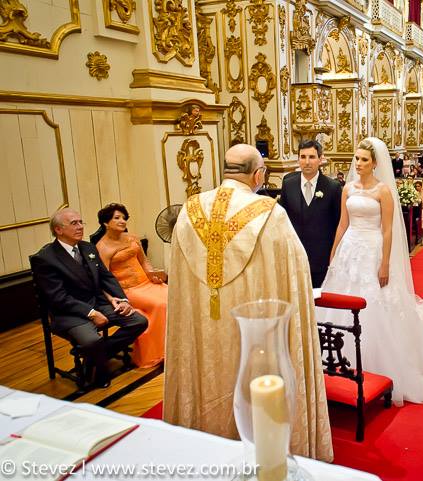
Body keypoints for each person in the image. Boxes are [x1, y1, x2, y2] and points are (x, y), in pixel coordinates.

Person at [164, 144, 333, 462]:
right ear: (258, 175)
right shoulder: (270, 214)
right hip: (254, 338)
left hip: (204, 329)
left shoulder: (189, 211)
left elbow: (177, 279)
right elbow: (294, 276)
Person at [317, 138, 423, 405]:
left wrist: (384, 263)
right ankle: (338, 358)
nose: (358, 163)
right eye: (356, 158)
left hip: (372, 249)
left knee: (375, 303)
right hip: (349, 250)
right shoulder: (348, 188)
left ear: (375, 163)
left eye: (364, 160)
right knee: (341, 299)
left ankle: (379, 362)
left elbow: (387, 230)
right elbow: (342, 224)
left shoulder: (383, 191)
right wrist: (334, 252)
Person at [30, 208, 147, 388]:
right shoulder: (46, 258)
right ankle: (100, 373)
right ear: (58, 230)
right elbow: (58, 297)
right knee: (92, 341)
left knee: (138, 321)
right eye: (74, 223)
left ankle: (96, 357)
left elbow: (106, 277)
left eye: (80, 222)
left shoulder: (88, 248)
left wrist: (122, 300)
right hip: (69, 313)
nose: (80, 227)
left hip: (98, 303)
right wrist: (91, 313)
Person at [95, 203, 167, 368]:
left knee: (173, 296)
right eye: (117, 218)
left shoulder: (132, 238)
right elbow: (103, 278)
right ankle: (158, 351)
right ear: (106, 223)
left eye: (123, 218)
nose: (122, 221)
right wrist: (114, 299)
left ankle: (175, 345)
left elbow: (144, 261)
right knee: (161, 305)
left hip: (147, 283)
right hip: (128, 290)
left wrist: (153, 275)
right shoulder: (102, 247)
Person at [279, 140, 343, 288]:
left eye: (312, 157)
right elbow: (283, 219)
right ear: (298, 159)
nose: (307, 162)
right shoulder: (288, 183)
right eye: (303, 157)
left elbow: (338, 223)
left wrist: (334, 256)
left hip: (322, 258)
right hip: (294, 256)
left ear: (320, 159)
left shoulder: (333, 187)